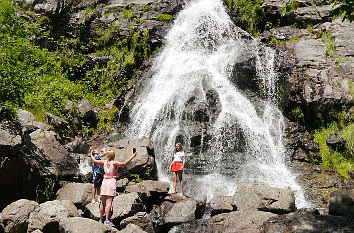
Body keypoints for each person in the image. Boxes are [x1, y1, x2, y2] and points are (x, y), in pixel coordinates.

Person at [91, 149, 137, 227]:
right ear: (113, 156)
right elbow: (125, 163)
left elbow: (94, 161)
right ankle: (107, 220)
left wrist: (91, 154)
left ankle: (100, 219)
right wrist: (133, 156)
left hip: (104, 182)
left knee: (103, 202)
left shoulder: (104, 162)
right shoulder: (114, 163)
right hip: (111, 182)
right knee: (109, 202)